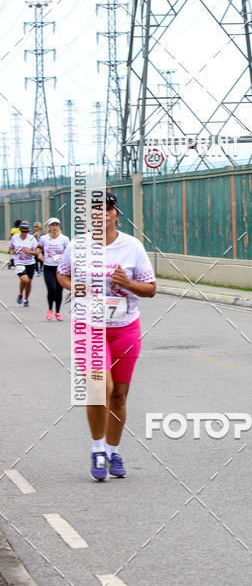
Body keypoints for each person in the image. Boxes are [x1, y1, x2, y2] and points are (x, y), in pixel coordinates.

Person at [57, 192, 156, 481]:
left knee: (119, 395)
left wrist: (128, 283)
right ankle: (97, 449)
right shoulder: (77, 246)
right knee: (100, 387)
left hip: (125, 327)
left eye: (108, 209)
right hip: (89, 325)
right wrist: (75, 286)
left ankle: (113, 452)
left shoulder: (132, 246)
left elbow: (150, 288)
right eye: (97, 209)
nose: (103, 214)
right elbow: (62, 274)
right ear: (90, 217)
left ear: (116, 215)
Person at [38, 218, 70, 321]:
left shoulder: (64, 239)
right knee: (51, 289)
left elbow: (68, 252)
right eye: (52, 225)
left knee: (59, 291)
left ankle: (57, 312)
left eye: (56, 225)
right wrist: (39, 255)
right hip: (48, 267)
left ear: (58, 226)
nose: (55, 227)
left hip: (60, 269)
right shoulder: (44, 238)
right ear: (49, 227)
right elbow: (38, 248)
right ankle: (50, 310)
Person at [9, 222, 38, 306]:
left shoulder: (32, 239)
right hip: (19, 262)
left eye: (26, 231)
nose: (24, 233)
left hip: (30, 262)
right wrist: (14, 251)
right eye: (23, 231)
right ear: (20, 230)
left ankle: (26, 299)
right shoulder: (15, 238)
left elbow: (36, 252)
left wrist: (28, 251)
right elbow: (11, 248)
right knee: (25, 279)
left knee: (29, 282)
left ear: (28, 231)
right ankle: (20, 293)